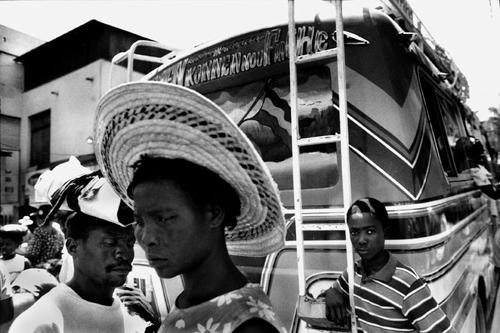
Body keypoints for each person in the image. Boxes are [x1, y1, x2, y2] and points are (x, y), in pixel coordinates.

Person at [93, 82, 287, 333]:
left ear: (213, 214)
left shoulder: (248, 327)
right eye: (139, 221)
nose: (146, 238)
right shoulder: (191, 300)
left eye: (164, 218)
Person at [322, 197, 454, 333]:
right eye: (354, 232)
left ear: (385, 232)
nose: (361, 240)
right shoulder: (354, 272)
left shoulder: (407, 284)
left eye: (370, 231)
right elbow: (329, 295)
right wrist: (333, 292)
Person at [8, 212, 149, 333]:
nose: (124, 254)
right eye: (110, 242)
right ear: (73, 247)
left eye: (130, 243)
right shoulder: (41, 322)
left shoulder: (134, 312)